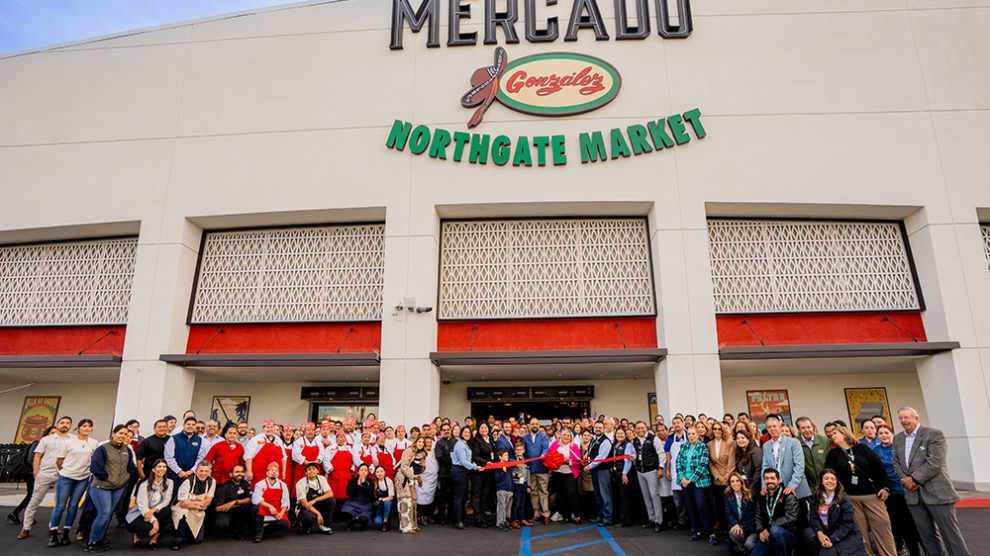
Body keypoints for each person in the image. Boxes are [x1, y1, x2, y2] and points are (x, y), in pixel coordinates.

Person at [892, 407, 971, 556]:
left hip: (938, 492)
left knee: (950, 534)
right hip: (913, 495)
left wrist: (914, 479)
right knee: (926, 535)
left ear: (916, 418)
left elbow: (935, 462)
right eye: (901, 418)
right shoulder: (897, 439)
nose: (904, 421)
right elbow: (895, 461)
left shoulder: (933, 434)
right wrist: (905, 479)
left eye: (907, 417)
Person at [825, 425, 896, 556]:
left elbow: (879, 468)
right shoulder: (833, 454)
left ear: (844, 434)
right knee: (860, 532)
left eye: (835, 433)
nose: (832, 436)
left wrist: (884, 487)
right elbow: (829, 475)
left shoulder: (861, 449)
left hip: (873, 495)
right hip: (850, 498)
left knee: (882, 527)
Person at [84, 424, 137, 553]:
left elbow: (131, 467)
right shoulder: (102, 448)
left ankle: (100, 538)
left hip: (118, 487)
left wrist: (126, 478)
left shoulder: (127, 450)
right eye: (120, 433)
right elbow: (95, 468)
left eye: (125, 434)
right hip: (102, 487)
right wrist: (107, 478)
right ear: (113, 433)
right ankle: (92, 541)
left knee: (108, 514)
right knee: (103, 514)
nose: (122, 436)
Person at [17, 417, 71, 541]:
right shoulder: (46, 439)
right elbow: (37, 456)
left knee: (59, 503)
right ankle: (26, 527)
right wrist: (36, 471)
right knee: (34, 501)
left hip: (63, 474)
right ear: (57, 425)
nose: (65, 425)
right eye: (62, 422)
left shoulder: (73, 439)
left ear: (70, 425)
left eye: (68, 423)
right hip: (45, 473)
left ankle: (53, 526)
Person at [48, 418, 98, 548]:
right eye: (84, 426)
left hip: (82, 478)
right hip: (66, 477)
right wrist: (64, 472)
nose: (87, 428)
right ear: (78, 428)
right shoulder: (69, 442)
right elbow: (59, 460)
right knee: (60, 506)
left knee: (73, 506)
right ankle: (53, 533)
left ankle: (66, 532)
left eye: (89, 426)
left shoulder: (94, 443)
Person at [872, 424, 921, 556]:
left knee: (910, 524)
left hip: (905, 490)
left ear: (892, 433)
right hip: (889, 493)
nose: (884, 435)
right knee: (895, 523)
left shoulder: (900, 447)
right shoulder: (875, 450)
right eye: (880, 433)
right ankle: (902, 548)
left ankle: (918, 550)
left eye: (886, 432)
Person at [802, 468, 866, 556]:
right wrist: (819, 532)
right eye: (826, 478)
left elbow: (848, 525)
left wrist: (832, 539)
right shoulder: (816, 498)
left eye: (833, 479)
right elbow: (813, 518)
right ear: (821, 481)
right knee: (807, 533)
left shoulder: (844, 499)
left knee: (825, 554)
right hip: (826, 533)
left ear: (837, 482)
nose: (830, 481)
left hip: (843, 536)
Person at [760, 414, 810, 527]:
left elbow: (799, 466)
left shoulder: (793, 442)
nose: (772, 429)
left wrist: (792, 485)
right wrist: (764, 485)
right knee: (784, 520)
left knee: (801, 520)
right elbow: (765, 466)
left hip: (795, 487)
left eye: (774, 426)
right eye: (769, 427)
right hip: (777, 487)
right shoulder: (766, 446)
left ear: (780, 425)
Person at [678, 424, 717, 545]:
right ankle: (697, 531)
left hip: (700, 481)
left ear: (697, 434)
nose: (691, 436)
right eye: (689, 434)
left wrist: (691, 479)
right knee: (690, 506)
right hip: (685, 482)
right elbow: (678, 461)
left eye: (693, 434)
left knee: (701, 505)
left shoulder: (703, 446)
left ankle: (710, 532)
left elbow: (703, 464)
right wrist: (682, 477)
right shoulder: (684, 446)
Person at [125, 459, 173, 549]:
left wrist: (154, 510)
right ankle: (137, 536)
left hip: (154, 511)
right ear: (153, 469)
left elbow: (166, 501)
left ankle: (153, 540)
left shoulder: (169, 483)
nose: (162, 469)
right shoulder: (144, 485)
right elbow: (142, 507)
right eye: (159, 467)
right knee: (149, 528)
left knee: (167, 511)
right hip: (139, 514)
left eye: (164, 467)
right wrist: (154, 521)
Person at [752, 469, 799, 556]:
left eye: (772, 478)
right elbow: (758, 517)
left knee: (775, 530)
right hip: (767, 535)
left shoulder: (788, 495)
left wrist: (769, 527)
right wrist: (760, 532)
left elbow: (791, 518)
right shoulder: (762, 496)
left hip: (786, 534)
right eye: (766, 478)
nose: (769, 481)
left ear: (779, 480)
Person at [171, 461, 215, 550]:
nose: (203, 473)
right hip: (182, 507)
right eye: (201, 471)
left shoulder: (212, 481)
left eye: (206, 471)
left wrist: (197, 504)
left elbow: (208, 500)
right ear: (196, 471)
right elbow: (183, 502)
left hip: (198, 508)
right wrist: (198, 505)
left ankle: (188, 534)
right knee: (181, 513)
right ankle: (177, 540)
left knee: (197, 541)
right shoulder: (187, 482)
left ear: (210, 472)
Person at [632, 420, 666, 532]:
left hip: (651, 471)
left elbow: (661, 454)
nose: (640, 430)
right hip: (640, 472)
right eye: (638, 428)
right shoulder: (635, 441)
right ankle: (651, 519)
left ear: (646, 428)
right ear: (635, 430)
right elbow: (635, 455)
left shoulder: (653, 439)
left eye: (642, 428)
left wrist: (660, 468)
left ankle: (659, 521)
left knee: (654, 495)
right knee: (646, 497)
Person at [549, 428, 582, 525]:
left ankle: (576, 514)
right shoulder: (555, 444)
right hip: (557, 473)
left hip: (569, 473)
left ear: (571, 437)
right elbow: (550, 456)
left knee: (571, 493)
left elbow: (578, 461)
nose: (566, 437)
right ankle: (565, 516)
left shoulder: (574, 446)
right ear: (561, 436)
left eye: (568, 435)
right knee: (561, 494)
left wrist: (568, 462)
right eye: (564, 435)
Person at [211, 464, 254, 539]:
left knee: (249, 506)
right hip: (225, 512)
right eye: (237, 472)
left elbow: (249, 499)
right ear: (231, 474)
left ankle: (242, 531)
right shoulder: (223, 488)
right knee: (221, 524)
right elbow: (218, 508)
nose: (239, 474)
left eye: (242, 472)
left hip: (240, 511)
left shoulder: (245, 484)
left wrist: (234, 502)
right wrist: (236, 504)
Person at [251, 461, 290, 542]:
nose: (274, 472)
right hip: (264, 510)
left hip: (277, 511)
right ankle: (259, 532)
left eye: (276, 471)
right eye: (271, 470)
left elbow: (285, 502)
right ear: (267, 473)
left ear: (279, 473)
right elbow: (255, 498)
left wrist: (281, 513)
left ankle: (265, 530)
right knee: (255, 508)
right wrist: (269, 506)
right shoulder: (260, 484)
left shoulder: (283, 485)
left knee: (284, 524)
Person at [709, 421, 737, 532]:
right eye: (714, 429)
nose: (716, 431)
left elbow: (731, 462)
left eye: (719, 429)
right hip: (716, 480)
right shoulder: (709, 444)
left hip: (728, 478)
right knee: (719, 505)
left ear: (723, 430)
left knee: (729, 505)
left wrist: (726, 477)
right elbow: (710, 463)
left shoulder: (730, 443)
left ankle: (731, 528)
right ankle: (722, 527)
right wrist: (717, 476)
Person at [523, 417, 551, 525]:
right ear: (529, 425)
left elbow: (545, 448)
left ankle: (546, 514)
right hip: (531, 469)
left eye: (536, 424)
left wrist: (543, 455)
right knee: (533, 492)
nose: (534, 425)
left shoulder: (544, 437)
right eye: (532, 424)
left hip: (542, 468)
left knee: (543, 492)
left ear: (538, 425)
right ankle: (536, 513)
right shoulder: (525, 438)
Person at [586, 420, 614, 526]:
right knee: (598, 495)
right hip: (595, 470)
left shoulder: (605, 441)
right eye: (596, 427)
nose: (598, 429)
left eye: (600, 427)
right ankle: (600, 516)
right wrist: (587, 458)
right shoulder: (594, 439)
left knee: (605, 495)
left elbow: (601, 458)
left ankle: (608, 518)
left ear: (603, 428)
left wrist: (589, 466)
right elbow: (591, 453)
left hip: (603, 471)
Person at [665, 415, 691, 530]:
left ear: (682, 423)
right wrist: (667, 469)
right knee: (678, 500)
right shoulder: (670, 438)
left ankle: (692, 521)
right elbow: (668, 455)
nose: (676, 425)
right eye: (674, 423)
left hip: (689, 472)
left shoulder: (689, 435)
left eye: (678, 422)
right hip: (675, 471)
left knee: (689, 499)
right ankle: (682, 521)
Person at [396, 436, 426, 533]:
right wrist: (413, 476)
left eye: (423, 442)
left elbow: (419, 470)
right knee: (405, 500)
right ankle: (405, 527)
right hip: (403, 478)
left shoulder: (419, 454)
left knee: (413, 501)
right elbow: (404, 466)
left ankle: (413, 525)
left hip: (412, 479)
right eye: (420, 441)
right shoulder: (408, 450)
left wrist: (424, 467)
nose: (421, 443)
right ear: (416, 441)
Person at [295, 462, 335, 535]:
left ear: (317, 471)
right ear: (306, 473)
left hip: (315, 504)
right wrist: (318, 514)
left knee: (331, 501)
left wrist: (315, 500)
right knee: (309, 518)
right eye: (309, 469)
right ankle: (304, 526)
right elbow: (304, 503)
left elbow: (330, 493)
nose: (311, 471)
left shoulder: (321, 479)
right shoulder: (300, 483)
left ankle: (324, 525)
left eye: (314, 469)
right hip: (304, 507)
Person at [451, 426, 479, 529]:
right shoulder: (460, 445)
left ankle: (460, 518)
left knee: (463, 496)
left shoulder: (465, 444)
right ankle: (458, 521)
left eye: (469, 432)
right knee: (458, 497)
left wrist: (475, 464)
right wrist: (475, 467)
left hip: (463, 471)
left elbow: (468, 459)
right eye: (465, 432)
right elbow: (463, 461)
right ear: (461, 433)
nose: (467, 434)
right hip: (458, 471)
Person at [469, 422, 496, 527]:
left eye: (485, 427)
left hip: (489, 472)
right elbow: (475, 456)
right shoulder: (476, 440)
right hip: (478, 472)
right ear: (478, 429)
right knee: (477, 494)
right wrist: (485, 462)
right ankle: (477, 519)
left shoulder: (490, 440)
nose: (484, 429)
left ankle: (482, 515)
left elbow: (493, 453)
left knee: (485, 494)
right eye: (481, 427)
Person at [245, 420, 286, 487]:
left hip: (274, 473)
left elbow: (284, 457)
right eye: (267, 427)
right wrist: (249, 471)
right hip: (259, 473)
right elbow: (248, 457)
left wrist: (283, 472)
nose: (269, 429)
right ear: (263, 428)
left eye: (271, 427)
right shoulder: (256, 439)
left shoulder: (278, 440)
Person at [725, 471, 757, 554]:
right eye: (732, 481)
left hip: (751, 529)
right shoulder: (727, 495)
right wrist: (735, 524)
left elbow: (754, 516)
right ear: (730, 484)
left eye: (737, 481)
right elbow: (728, 513)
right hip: (738, 528)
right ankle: (742, 548)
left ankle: (747, 547)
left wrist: (742, 526)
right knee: (733, 533)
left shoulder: (750, 495)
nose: (735, 483)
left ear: (741, 482)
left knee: (749, 544)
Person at [164, 417, 203, 482]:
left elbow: (200, 457)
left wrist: (192, 470)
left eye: (193, 425)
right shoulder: (173, 438)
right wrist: (179, 471)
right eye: (188, 424)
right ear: (183, 425)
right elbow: (168, 457)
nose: (190, 426)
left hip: (190, 476)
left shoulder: (199, 440)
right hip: (173, 475)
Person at [324, 431, 354, 514]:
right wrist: (331, 470)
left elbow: (353, 461)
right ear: (336, 438)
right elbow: (326, 460)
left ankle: (342, 514)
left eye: (343, 437)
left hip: (346, 476)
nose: (342, 439)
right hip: (334, 475)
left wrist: (351, 470)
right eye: (340, 437)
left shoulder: (349, 448)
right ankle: (333, 515)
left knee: (345, 495)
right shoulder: (330, 448)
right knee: (334, 495)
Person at [611, 427, 636, 528]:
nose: (620, 435)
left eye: (622, 433)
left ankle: (625, 520)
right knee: (619, 497)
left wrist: (624, 474)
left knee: (624, 497)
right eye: (618, 433)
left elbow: (628, 460)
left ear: (625, 435)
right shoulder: (616, 445)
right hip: (616, 474)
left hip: (624, 474)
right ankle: (620, 518)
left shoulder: (628, 445)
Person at [797, 417, 830, 493]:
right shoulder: (795, 443)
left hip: (826, 484)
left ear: (812, 427)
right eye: (803, 428)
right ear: (799, 430)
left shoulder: (824, 441)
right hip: (810, 486)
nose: (807, 430)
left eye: (809, 427)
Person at [340, 463, 375, 531]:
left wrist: (364, 483)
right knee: (346, 512)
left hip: (365, 504)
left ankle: (363, 523)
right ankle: (351, 522)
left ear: (368, 472)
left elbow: (371, 495)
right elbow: (349, 493)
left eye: (365, 470)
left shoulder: (370, 481)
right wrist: (357, 485)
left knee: (363, 518)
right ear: (358, 472)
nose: (363, 472)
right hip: (353, 502)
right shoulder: (352, 480)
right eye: (361, 470)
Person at [433, 422, 455, 525]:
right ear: (441, 432)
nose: (446, 431)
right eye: (444, 430)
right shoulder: (439, 443)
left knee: (452, 495)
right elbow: (440, 458)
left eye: (448, 429)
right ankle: (441, 516)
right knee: (443, 496)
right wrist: (453, 464)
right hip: (444, 474)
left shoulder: (455, 442)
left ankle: (451, 515)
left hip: (454, 474)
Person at [416, 436, 439, 526]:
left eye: (430, 442)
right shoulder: (420, 453)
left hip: (432, 479)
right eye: (427, 442)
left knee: (430, 498)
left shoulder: (434, 452)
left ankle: (428, 516)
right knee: (421, 498)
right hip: (423, 478)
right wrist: (418, 477)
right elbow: (416, 467)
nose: (428, 444)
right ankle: (421, 517)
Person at [510, 441, 531, 528]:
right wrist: (516, 475)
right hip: (516, 484)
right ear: (515, 451)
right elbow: (509, 472)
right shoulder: (512, 460)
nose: (519, 451)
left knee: (522, 503)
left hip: (524, 483)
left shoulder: (526, 460)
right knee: (516, 503)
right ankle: (514, 520)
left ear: (524, 450)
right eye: (517, 450)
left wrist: (529, 485)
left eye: (520, 450)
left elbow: (528, 473)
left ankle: (521, 519)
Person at [493, 448, 514, 532]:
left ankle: (504, 521)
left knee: (506, 507)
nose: (507, 456)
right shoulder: (498, 466)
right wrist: (502, 471)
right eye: (505, 455)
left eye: (507, 455)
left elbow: (511, 478)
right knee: (501, 507)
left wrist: (512, 489)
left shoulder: (508, 466)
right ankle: (499, 523)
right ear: (500, 457)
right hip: (501, 489)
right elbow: (497, 478)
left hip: (509, 489)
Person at [372, 465, 396, 531]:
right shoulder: (374, 482)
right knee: (377, 522)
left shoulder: (388, 481)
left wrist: (382, 499)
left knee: (387, 503)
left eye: (381, 471)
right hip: (379, 505)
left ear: (385, 472)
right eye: (377, 472)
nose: (380, 473)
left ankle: (385, 521)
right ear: (375, 473)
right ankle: (382, 519)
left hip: (388, 503)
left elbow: (391, 497)